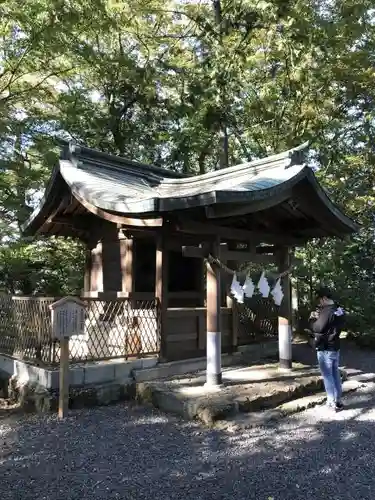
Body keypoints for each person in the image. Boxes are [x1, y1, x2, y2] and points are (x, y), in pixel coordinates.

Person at [309, 287, 346, 412]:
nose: (319, 303)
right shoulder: (339, 309)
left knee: (327, 375)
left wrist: (312, 319)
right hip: (335, 346)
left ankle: (331, 402)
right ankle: (338, 401)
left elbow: (318, 328)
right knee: (335, 373)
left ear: (324, 298)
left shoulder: (327, 311)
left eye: (320, 300)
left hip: (325, 347)